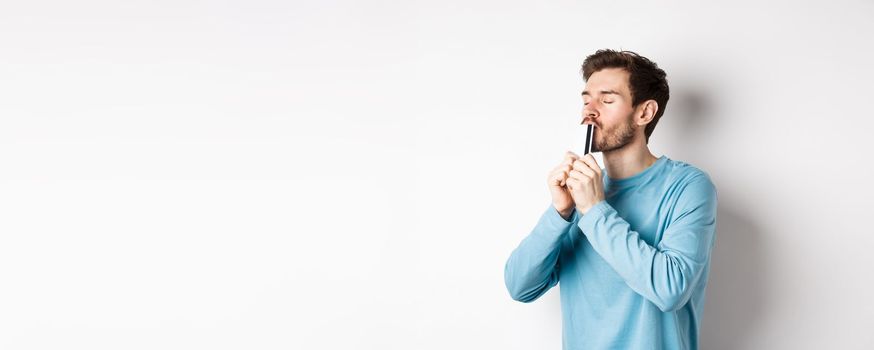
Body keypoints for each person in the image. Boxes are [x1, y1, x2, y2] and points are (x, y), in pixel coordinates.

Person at [504, 49, 718, 350]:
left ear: (644, 113)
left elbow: (670, 289)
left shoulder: (687, 186)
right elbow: (519, 286)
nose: (589, 111)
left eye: (606, 100)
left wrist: (594, 209)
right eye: (586, 100)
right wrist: (560, 212)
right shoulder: (580, 191)